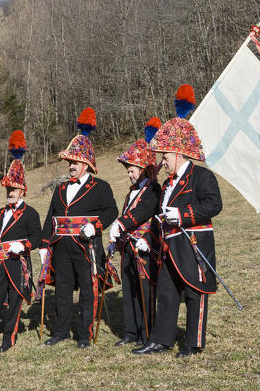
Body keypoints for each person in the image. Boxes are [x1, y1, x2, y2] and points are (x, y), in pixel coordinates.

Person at [132, 84, 223, 357]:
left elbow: (214, 204)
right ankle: (162, 340)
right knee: (168, 294)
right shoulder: (168, 183)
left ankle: (193, 343)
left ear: (179, 154)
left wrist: (183, 215)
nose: (162, 161)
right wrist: (148, 239)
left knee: (195, 293)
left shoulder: (202, 177)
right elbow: (160, 220)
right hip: (169, 248)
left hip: (193, 246)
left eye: (165, 155)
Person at [39, 107, 118, 349]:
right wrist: (44, 245)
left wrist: (96, 227)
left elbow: (112, 211)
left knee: (87, 290)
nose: (71, 166)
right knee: (62, 289)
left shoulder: (100, 187)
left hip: (87, 248)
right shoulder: (61, 188)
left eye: (75, 162)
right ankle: (61, 330)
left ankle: (83, 333)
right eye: (69, 162)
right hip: (61, 248)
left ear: (86, 163)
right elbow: (51, 216)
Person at [0, 130, 41, 352]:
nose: (10, 192)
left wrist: (23, 246)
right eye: (8, 188)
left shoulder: (30, 213)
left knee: (14, 302)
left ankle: (7, 340)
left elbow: (38, 238)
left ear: (22, 189)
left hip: (17, 263)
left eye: (13, 188)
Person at [108, 117, 162, 347]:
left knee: (145, 292)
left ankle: (146, 333)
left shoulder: (153, 189)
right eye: (128, 171)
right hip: (127, 246)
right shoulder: (131, 192)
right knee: (129, 289)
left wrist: (120, 223)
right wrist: (115, 241)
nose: (130, 174)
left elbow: (142, 213)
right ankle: (130, 331)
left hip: (144, 246)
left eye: (132, 170)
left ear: (143, 170)